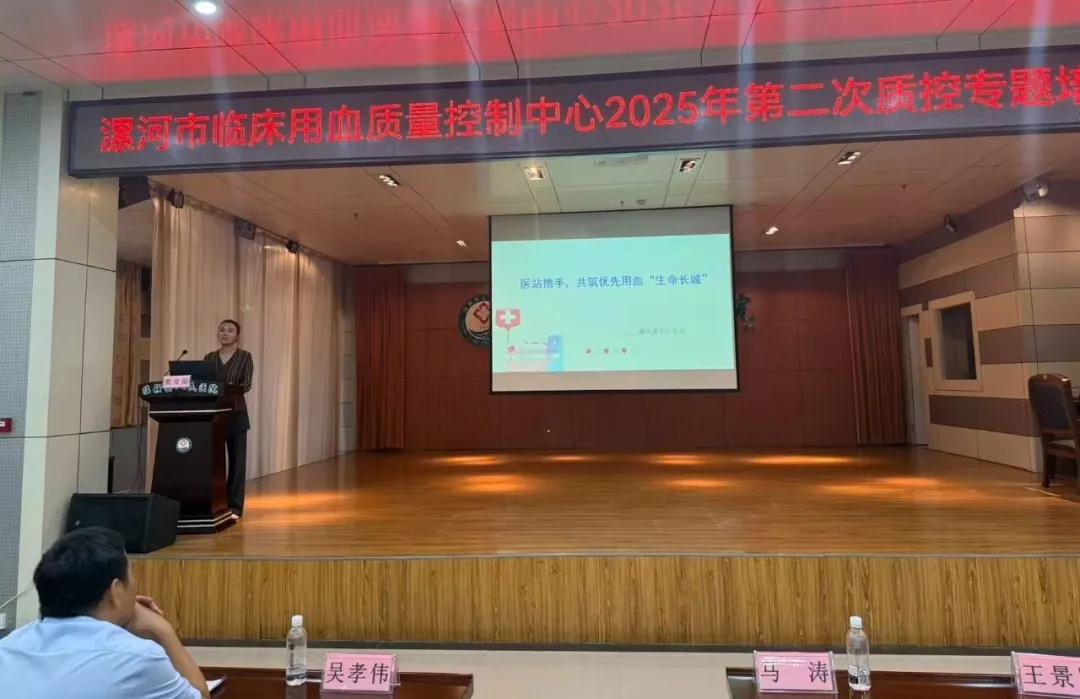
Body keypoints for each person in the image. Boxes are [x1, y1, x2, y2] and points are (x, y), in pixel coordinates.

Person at [0, 527, 209, 699]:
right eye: (131, 576)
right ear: (115, 591)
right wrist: (162, 630)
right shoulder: (139, 658)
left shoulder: (7, 648)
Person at [204, 319, 254, 517]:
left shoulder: (245, 357)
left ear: (237, 336)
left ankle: (234, 506)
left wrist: (226, 388)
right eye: (222, 330)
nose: (225, 333)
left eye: (230, 330)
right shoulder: (209, 357)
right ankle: (216, 503)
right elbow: (204, 383)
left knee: (237, 462)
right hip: (214, 415)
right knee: (214, 462)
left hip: (236, 414)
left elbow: (246, 384)